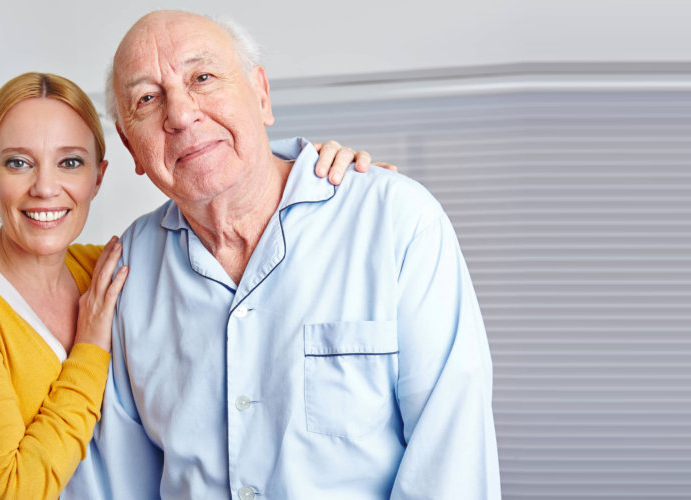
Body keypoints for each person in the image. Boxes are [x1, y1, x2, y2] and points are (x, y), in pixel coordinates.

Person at [0, 71, 392, 500]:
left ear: (99, 176)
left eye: (70, 162)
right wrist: (89, 351)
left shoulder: (111, 269)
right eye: (18, 162)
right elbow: (9, 491)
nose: (46, 187)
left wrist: (339, 190)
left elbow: (234, 242)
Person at [65, 11, 501, 499]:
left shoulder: (396, 219)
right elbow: (119, 485)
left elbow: (451, 463)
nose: (181, 115)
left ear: (262, 95)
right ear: (130, 146)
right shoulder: (128, 272)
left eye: (203, 78)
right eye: (147, 99)